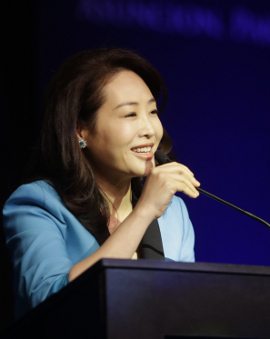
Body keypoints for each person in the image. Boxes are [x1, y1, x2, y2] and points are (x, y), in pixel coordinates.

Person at [2, 47, 200, 320]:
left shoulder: (173, 212)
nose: (149, 129)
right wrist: (143, 212)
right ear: (80, 130)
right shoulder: (37, 204)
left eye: (152, 112)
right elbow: (50, 304)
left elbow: (186, 310)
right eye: (130, 115)